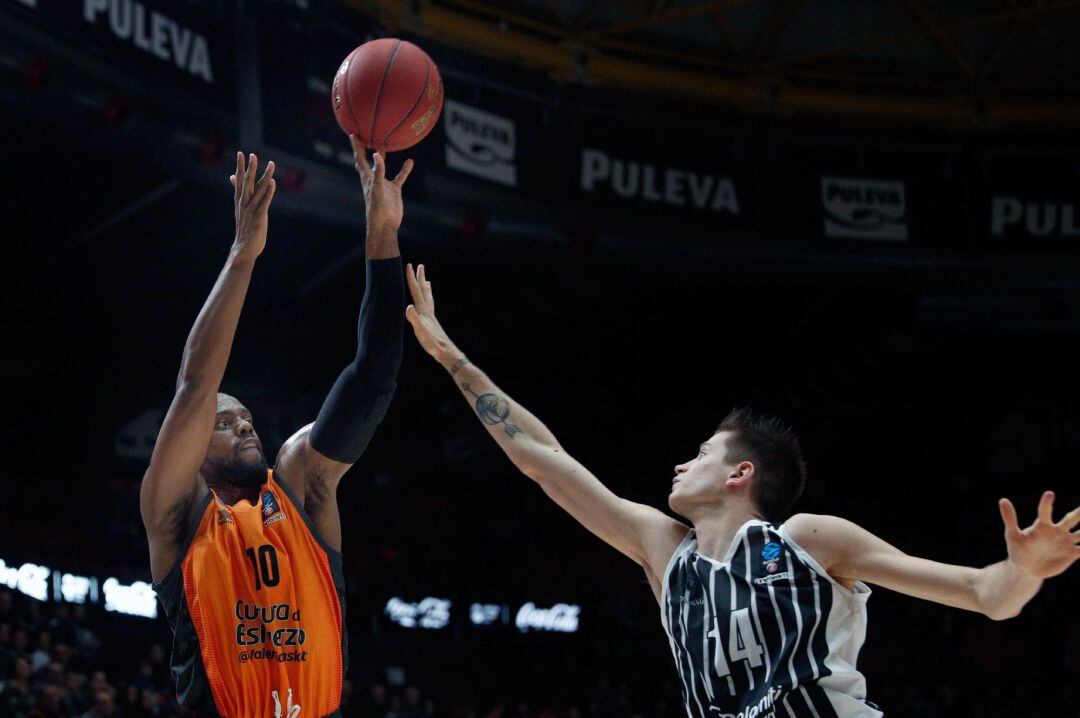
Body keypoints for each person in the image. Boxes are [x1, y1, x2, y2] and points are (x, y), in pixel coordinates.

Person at [401, 264, 1080, 717]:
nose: (679, 465)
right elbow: (543, 460)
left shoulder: (807, 540)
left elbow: (986, 597)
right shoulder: (667, 554)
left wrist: (1023, 570)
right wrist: (450, 357)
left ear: (739, 474)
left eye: (701, 453)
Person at [141, 139, 413, 718]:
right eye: (224, 423)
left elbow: (372, 379)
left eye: (246, 419)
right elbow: (195, 386)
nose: (244, 427)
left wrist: (382, 239)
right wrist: (243, 254)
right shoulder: (177, 515)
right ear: (194, 446)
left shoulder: (300, 483)